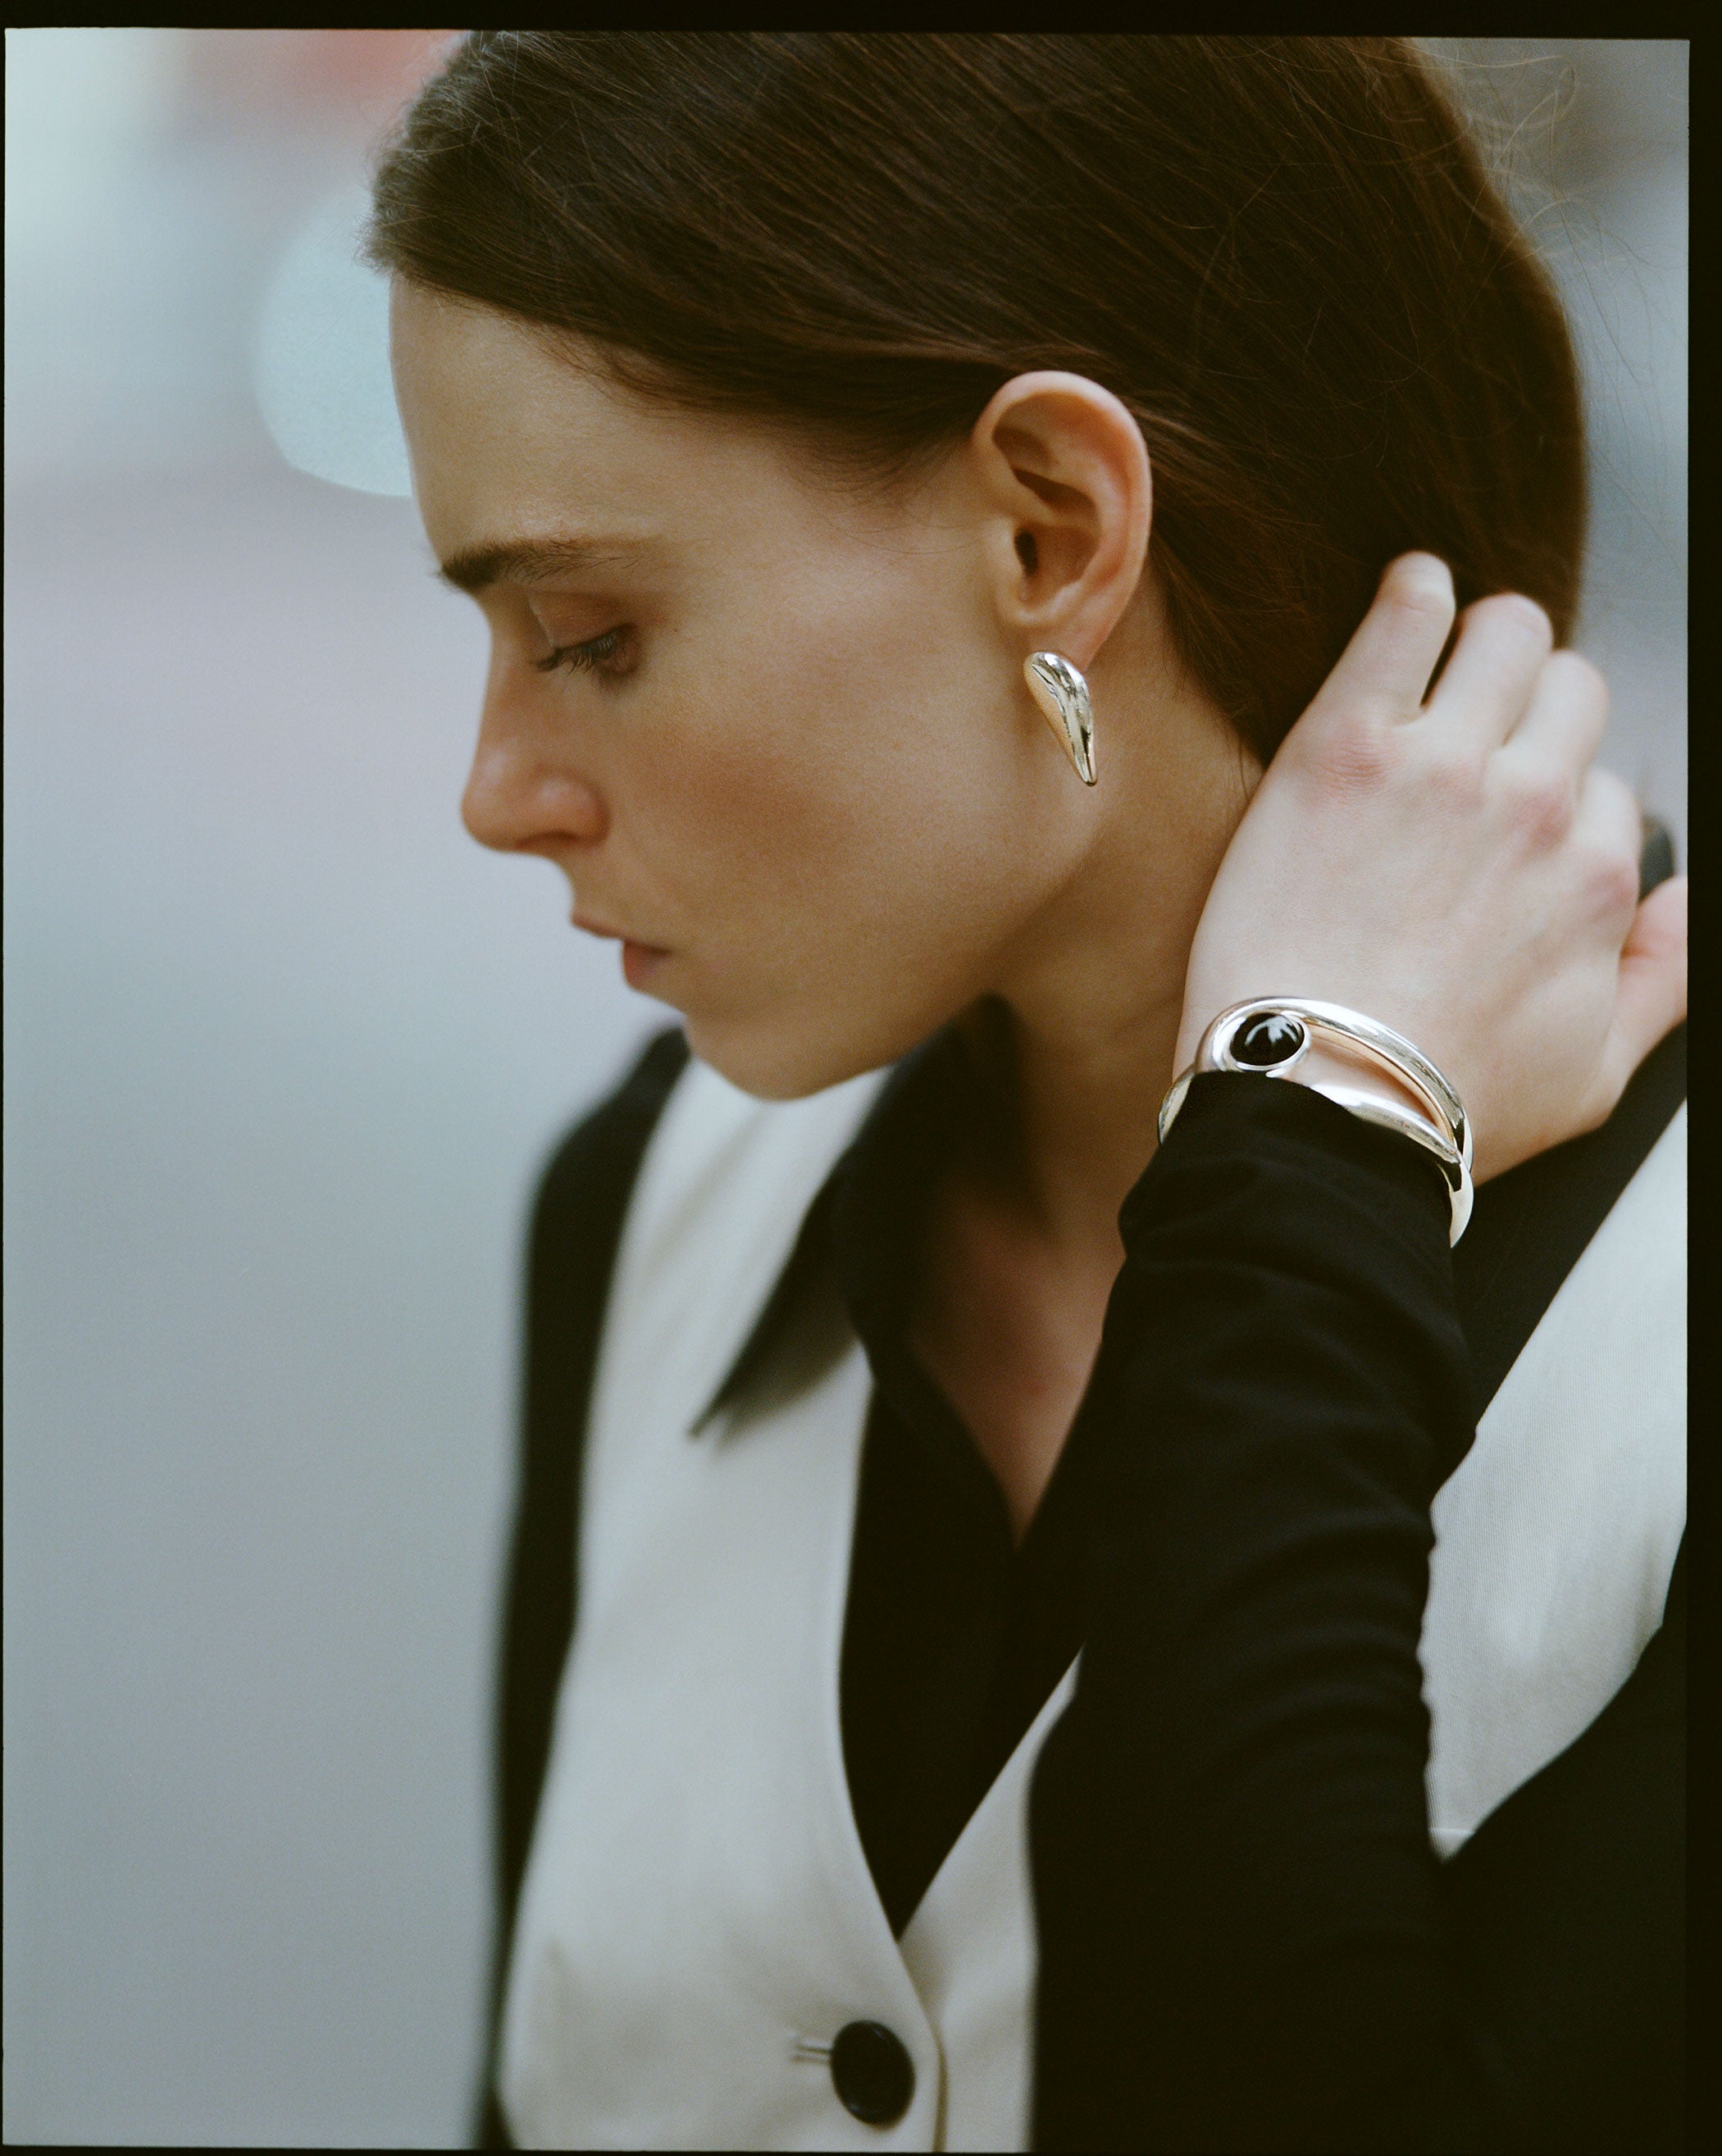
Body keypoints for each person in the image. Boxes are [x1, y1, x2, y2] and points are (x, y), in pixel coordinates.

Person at [368, 34, 1686, 2152]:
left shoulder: (1658, 1327)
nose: (495, 794)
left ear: (1050, 526)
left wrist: (1307, 1134)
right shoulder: (653, 1198)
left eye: (589, 633)